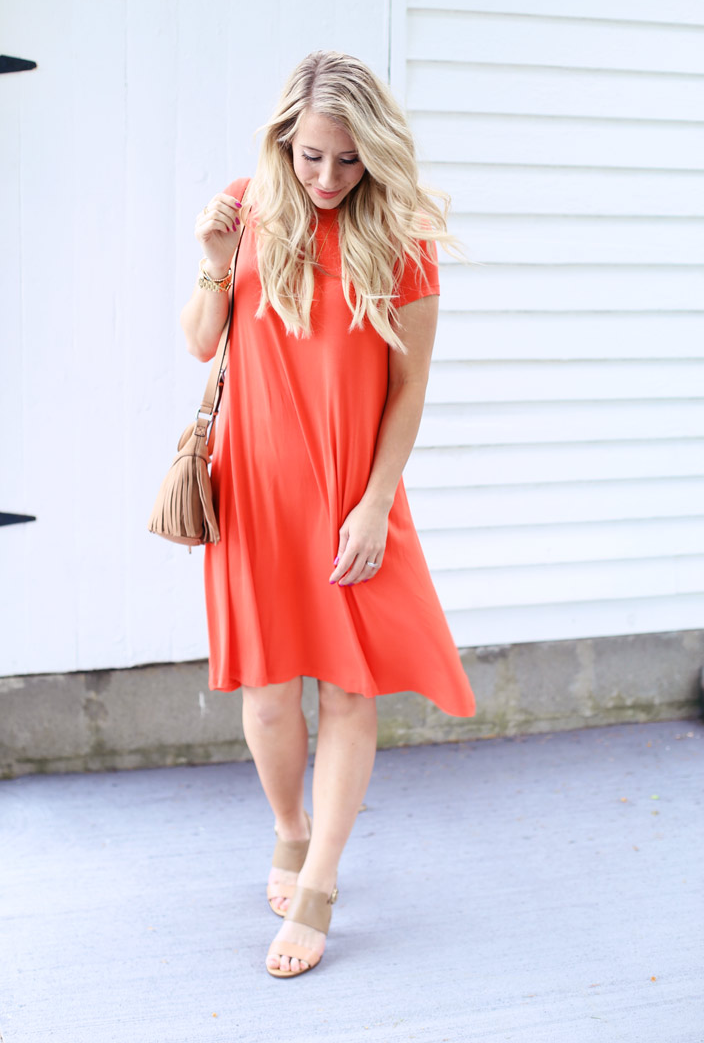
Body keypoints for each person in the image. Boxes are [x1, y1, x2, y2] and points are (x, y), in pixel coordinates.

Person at [179, 51, 475, 978]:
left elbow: (410, 386)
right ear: (283, 139)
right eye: (311, 156)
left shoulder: (402, 234)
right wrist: (216, 264)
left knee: (349, 689)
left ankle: (322, 882)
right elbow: (200, 344)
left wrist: (377, 503)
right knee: (268, 694)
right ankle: (289, 826)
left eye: (349, 161)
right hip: (257, 488)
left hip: (351, 489)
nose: (329, 177)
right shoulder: (248, 205)